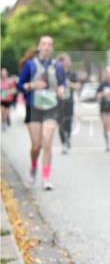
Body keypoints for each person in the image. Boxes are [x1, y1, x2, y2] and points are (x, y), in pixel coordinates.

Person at [18, 37, 67, 190]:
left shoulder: (57, 66)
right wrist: (33, 85)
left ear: (52, 48)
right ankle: (33, 167)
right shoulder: (30, 65)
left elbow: (63, 83)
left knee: (47, 143)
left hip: (51, 108)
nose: (46, 47)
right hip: (34, 107)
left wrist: (61, 89)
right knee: (36, 146)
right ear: (39, 46)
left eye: (50, 44)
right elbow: (20, 85)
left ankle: (46, 178)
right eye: (44, 44)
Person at [56, 54, 80, 154]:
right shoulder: (56, 73)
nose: (67, 63)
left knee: (68, 122)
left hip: (69, 101)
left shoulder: (72, 74)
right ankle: (63, 143)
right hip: (58, 101)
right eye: (65, 61)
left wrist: (69, 84)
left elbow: (78, 86)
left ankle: (68, 138)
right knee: (60, 122)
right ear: (61, 62)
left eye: (68, 61)